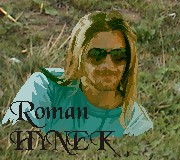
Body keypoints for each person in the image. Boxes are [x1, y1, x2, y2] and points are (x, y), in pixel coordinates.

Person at [2, 10, 152, 138]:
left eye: (118, 55)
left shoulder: (136, 121)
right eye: (97, 55)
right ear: (77, 57)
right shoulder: (44, 85)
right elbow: (14, 135)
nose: (109, 65)